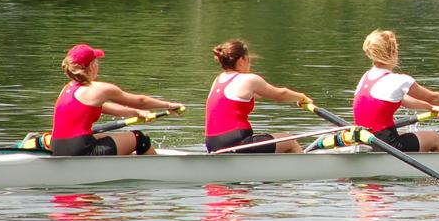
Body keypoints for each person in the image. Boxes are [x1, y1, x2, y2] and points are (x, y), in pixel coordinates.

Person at [51, 44, 182, 157]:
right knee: (139, 138)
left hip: (57, 147)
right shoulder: (99, 89)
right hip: (81, 150)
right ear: (91, 66)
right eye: (96, 61)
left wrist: (137, 113)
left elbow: (107, 108)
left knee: (108, 139)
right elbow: (141, 101)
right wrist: (169, 105)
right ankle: (158, 171)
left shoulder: (66, 89)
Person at [353, 30, 439, 152]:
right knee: (434, 138)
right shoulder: (399, 80)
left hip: (363, 141)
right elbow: (433, 97)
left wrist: (429, 108)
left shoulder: (365, 77)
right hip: (387, 146)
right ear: (393, 52)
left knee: (406, 135)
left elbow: (403, 99)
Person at [205, 40, 311, 153]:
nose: (250, 64)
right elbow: (281, 94)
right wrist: (302, 97)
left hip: (212, 144)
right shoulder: (249, 79)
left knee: (271, 141)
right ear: (241, 61)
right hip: (237, 142)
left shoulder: (218, 80)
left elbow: (260, 93)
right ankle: (305, 169)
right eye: (249, 60)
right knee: (289, 140)